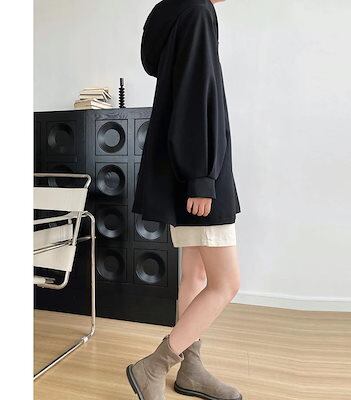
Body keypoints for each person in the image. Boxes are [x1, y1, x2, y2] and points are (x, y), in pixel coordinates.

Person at [128, 0, 242, 399]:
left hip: (185, 172)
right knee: (226, 283)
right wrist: (202, 177)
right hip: (199, 174)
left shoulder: (174, 10)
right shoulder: (197, 11)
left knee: (195, 277)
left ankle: (191, 368)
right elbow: (197, 95)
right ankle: (154, 366)